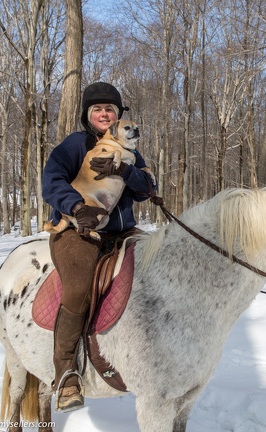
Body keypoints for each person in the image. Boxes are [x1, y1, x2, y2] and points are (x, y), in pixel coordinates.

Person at [42, 82, 157, 412]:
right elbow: (51, 181)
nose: (105, 113)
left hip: (122, 232)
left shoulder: (129, 148)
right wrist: (77, 207)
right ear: (88, 116)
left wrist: (124, 169)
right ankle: (66, 375)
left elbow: (148, 189)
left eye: (110, 109)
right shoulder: (75, 145)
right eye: (98, 109)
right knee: (78, 288)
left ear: (118, 115)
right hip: (77, 229)